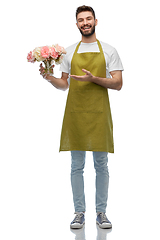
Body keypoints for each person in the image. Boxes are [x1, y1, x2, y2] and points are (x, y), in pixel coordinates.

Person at [39, 5, 124, 229]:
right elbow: (64, 85)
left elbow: (118, 84)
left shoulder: (109, 51)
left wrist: (94, 79)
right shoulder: (68, 52)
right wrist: (49, 78)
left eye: (88, 19)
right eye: (80, 20)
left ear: (96, 21)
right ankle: (79, 212)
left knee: (101, 165)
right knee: (76, 165)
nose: (85, 23)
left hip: (99, 114)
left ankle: (102, 213)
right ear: (76, 24)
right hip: (76, 113)